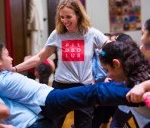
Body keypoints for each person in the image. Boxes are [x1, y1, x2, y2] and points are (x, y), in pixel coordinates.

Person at [11, 0, 110, 128]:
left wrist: (108, 71)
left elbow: (111, 50)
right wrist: (14, 69)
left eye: (68, 17)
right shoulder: (57, 34)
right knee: (53, 124)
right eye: (62, 17)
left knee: (84, 125)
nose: (65, 21)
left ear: (79, 15)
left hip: (84, 87)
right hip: (62, 86)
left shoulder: (92, 34)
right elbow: (39, 57)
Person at [0, 42, 142, 128]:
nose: (11, 57)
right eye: (7, 55)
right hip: (47, 99)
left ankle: (136, 92)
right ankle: (139, 96)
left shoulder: (5, 75)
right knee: (95, 92)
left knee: (93, 95)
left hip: (43, 102)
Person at [99, 41, 150, 128]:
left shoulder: (140, 84)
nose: (108, 75)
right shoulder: (132, 80)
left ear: (116, 64)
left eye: (107, 70)